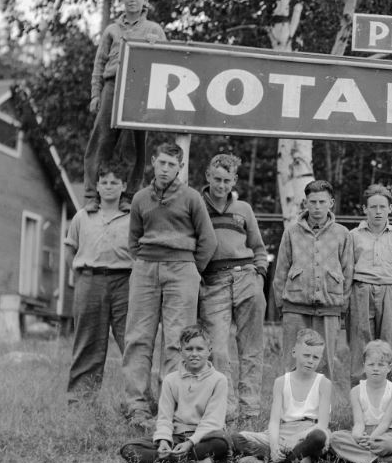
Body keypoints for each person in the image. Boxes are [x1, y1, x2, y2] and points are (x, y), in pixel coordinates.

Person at [121, 142, 217, 427]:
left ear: (180, 167)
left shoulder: (191, 198)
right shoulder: (139, 198)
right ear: (153, 161)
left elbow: (208, 241)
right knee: (137, 337)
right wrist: (146, 263)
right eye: (161, 163)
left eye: (172, 165)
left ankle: (170, 406)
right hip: (146, 268)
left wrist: (190, 269)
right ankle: (136, 406)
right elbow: (133, 241)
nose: (165, 169)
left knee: (177, 339)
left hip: (182, 270)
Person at [84, 0, 166, 211]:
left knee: (134, 142)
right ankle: (92, 194)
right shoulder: (112, 29)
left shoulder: (153, 29)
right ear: (122, 0)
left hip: (138, 90)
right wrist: (95, 94)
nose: (132, 0)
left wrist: (156, 46)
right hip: (112, 86)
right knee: (102, 140)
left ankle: (129, 195)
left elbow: (167, 63)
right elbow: (99, 64)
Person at [198, 153, 268, 425]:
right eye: (217, 179)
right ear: (207, 176)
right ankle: (226, 410)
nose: (221, 185)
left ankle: (250, 411)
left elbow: (259, 247)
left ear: (234, 180)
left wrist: (259, 277)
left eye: (227, 180)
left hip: (246, 278)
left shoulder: (244, 209)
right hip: (213, 281)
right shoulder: (197, 205)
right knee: (218, 350)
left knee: (251, 348)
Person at [273, 179, 353, 396]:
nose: (317, 207)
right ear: (305, 203)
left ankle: (320, 413)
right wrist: (283, 304)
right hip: (295, 307)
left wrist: (341, 306)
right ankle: (289, 408)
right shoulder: (291, 232)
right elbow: (280, 270)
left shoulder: (342, 234)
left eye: (322, 202)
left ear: (331, 203)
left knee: (324, 361)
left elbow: (348, 272)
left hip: (329, 307)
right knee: (293, 358)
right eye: (312, 202)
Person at [120, 323, 229, 463]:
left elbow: (213, 420)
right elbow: (165, 417)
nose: (194, 354)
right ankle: (186, 462)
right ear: (181, 351)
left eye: (199, 349)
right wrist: (164, 440)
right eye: (189, 349)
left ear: (209, 351)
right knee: (129, 448)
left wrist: (190, 443)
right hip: (176, 437)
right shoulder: (171, 380)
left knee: (222, 442)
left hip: (204, 437)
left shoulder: (219, 380)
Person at [65, 162, 132, 403]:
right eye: (104, 182)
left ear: (123, 186)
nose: (109, 187)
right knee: (88, 341)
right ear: (97, 186)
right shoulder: (83, 216)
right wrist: (82, 277)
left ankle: (137, 402)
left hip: (125, 281)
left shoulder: (133, 216)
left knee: (132, 341)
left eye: (115, 182)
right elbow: (69, 249)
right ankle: (81, 400)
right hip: (90, 280)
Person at [233, 328, 332, 463]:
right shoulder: (281, 382)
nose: (310, 361)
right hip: (283, 432)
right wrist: (274, 446)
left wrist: (296, 438)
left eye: (315, 357)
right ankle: (296, 460)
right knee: (238, 438)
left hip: (308, 432)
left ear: (320, 359)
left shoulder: (324, 383)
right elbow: (274, 421)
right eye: (306, 355)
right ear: (294, 353)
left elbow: (322, 424)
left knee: (319, 437)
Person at [348, 184, 392, 386]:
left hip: (391, 290)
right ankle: (359, 396)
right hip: (361, 289)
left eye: (383, 206)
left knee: (389, 342)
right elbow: (348, 269)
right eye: (373, 207)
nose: (378, 211)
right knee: (360, 342)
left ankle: (388, 396)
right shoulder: (354, 236)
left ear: (390, 208)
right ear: (365, 209)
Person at [330, 340, 392, 463]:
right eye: (371, 364)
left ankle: (358, 456)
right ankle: (381, 461)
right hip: (364, 433)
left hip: (384, 434)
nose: (375, 369)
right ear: (364, 365)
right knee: (334, 438)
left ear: (389, 367)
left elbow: (385, 423)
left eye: (381, 365)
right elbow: (359, 422)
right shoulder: (356, 391)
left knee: (387, 444)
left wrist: (372, 439)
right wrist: (358, 436)